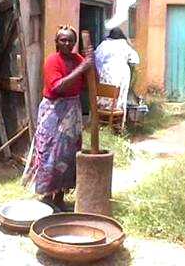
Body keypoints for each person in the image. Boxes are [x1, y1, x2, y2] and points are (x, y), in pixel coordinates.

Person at [22, 25, 94, 211]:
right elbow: (56, 87)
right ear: (56, 42)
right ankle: (47, 196)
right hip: (53, 111)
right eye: (63, 40)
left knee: (68, 155)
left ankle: (60, 196)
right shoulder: (52, 61)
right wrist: (82, 68)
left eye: (71, 40)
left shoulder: (78, 59)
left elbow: (91, 82)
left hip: (72, 111)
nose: (67, 43)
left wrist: (91, 67)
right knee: (49, 153)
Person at [95, 27, 140, 129]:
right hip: (121, 75)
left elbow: (95, 58)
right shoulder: (124, 45)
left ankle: (102, 123)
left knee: (104, 96)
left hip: (105, 74)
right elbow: (135, 60)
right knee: (120, 98)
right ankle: (119, 125)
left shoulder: (103, 45)